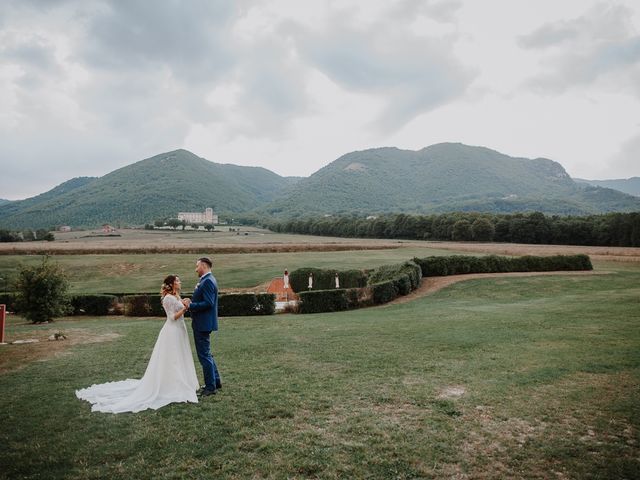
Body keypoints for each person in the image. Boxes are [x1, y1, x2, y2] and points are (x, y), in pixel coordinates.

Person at [76, 275, 199, 413]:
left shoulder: (175, 296)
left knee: (180, 356)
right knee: (173, 358)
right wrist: (185, 308)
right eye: (177, 280)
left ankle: (182, 381)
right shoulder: (168, 298)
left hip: (180, 330)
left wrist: (183, 301)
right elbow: (171, 317)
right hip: (172, 331)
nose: (180, 282)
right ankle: (174, 385)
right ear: (171, 284)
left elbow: (178, 308)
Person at [182, 257, 221, 396]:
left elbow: (209, 303)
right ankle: (215, 381)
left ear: (204, 266)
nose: (196, 269)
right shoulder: (207, 280)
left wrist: (191, 306)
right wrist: (191, 301)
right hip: (203, 322)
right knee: (207, 353)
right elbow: (203, 300)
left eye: (197, 266)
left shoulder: (208, 281)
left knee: (203, 355)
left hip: (203, 323)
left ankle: (210, 387)